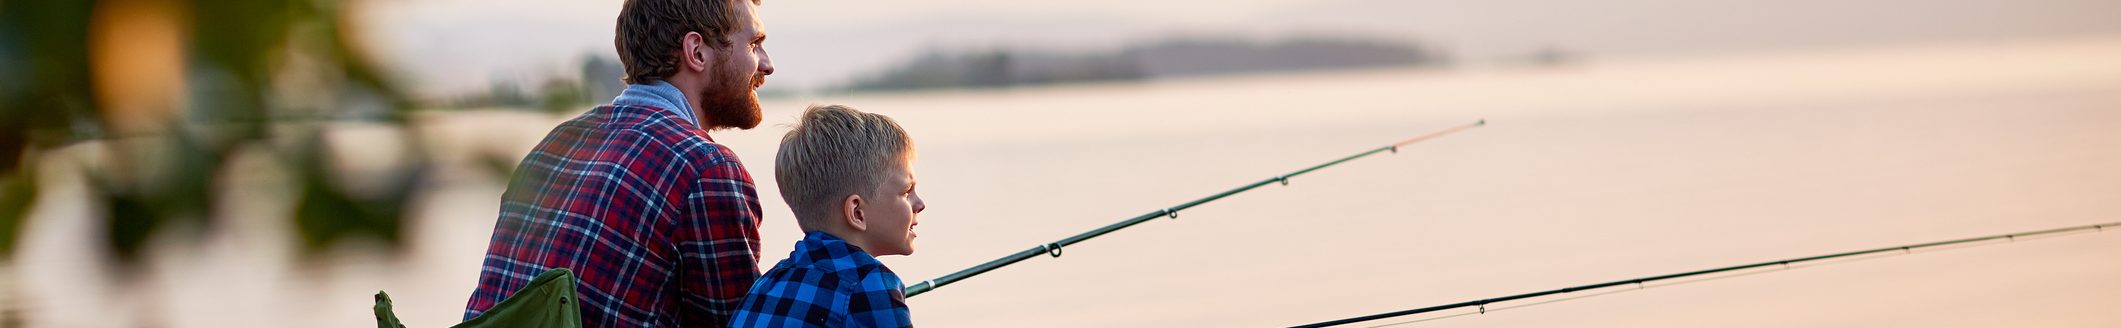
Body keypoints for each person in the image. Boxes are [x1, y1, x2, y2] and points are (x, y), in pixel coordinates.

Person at [463, 0, 775, 326]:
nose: (767, 65)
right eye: (754, 44)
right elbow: (739, 321)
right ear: (696, 52)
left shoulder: (556, 143)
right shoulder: (706, 169)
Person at [730, 104, 925, 327]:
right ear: (857, 212)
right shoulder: (871, 285)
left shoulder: (767, 283)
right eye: (906, 192)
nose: (919, 204)